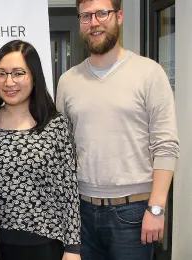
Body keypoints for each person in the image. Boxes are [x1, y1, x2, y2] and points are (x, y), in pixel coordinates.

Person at [56, 0, 180, 259]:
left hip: (133, 213)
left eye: (102, 13)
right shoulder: (68, 82)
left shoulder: (149, 73)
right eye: (86, 16)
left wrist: (157, 208)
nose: (94, 23)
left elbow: (166, 145)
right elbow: (63, 150)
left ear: (119, 16)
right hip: (81, 212)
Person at [0, 40, 81, 260]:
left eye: (18, 73)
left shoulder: (54, 125)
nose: (9, 82)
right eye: (1, 73)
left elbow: (68, 190)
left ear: (34, 76)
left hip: (44, 245)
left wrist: (73, 248)